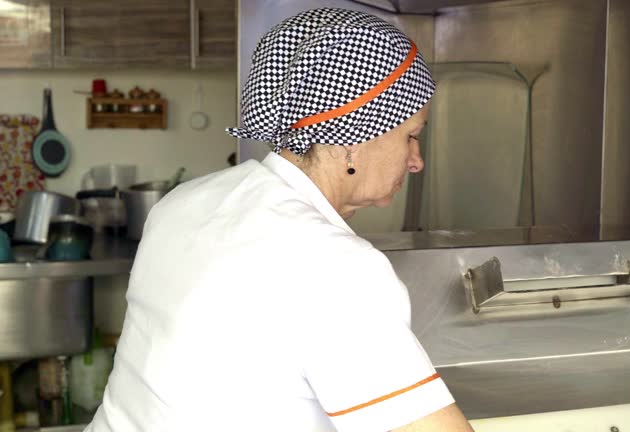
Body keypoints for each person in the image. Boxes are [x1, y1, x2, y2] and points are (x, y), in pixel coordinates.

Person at [85, 8, 474, 432]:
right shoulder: (334, 269)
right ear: (355, 137)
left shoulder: (184, 202)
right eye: (412, 135)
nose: (417, 161)